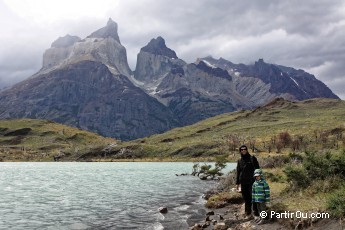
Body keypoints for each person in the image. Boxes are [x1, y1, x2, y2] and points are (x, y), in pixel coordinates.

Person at [236, 144, 260, 219]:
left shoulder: (252, 158)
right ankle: (248, 214)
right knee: (246, 198)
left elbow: (258, 169)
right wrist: (237, 183)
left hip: (252, 181)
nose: (243, 150)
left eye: (244, 149)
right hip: (243, 182)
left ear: (247, 150)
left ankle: (256, 214)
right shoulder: (239, 160)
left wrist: (258, 180)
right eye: (242, 149)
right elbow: (238, 171)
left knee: (253, 197)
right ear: (240, 151)